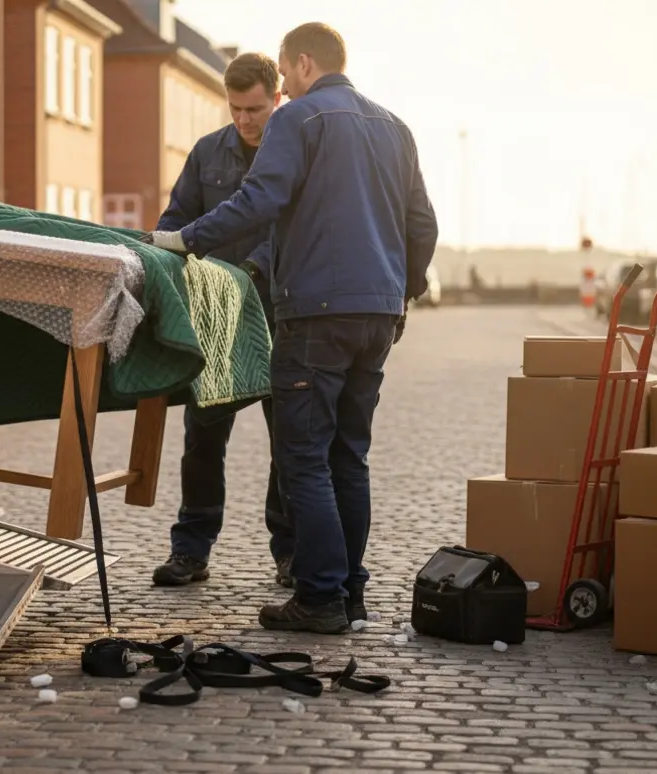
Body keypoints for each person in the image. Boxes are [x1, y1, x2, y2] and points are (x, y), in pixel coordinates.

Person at [144, 22, 439, 634]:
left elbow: (261, 202)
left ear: (303, 64)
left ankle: (321, 596)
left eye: (285, 71)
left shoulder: (298, 120)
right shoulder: (394, 126)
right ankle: (349, 592)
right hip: (378, 314)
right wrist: (401, 293)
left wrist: (185, 239)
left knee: (303, 459)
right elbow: (422, 225)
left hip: (313, 315)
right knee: (348, 457)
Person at [149, 53, 296, 590]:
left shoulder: (295, 150)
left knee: (289, 442)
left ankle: (291, 553)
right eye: (235, 109)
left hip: (279, 318)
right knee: (202, 441)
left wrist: (249, 270)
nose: (245, 120)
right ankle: (191, 550)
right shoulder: (207, 151)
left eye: (254, 108)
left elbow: (284, 229)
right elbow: (175, 219)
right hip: (214, 320)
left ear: (277, 98)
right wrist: (164, 256)